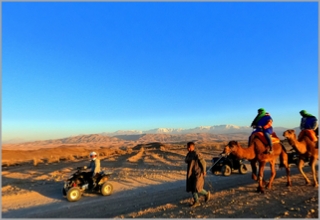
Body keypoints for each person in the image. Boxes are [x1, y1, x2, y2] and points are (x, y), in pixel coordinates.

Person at [185, 142, 210, 208]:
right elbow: (186, 160)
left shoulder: (197, 154)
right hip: (191, 173)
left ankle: (206, 194)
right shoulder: (188, 154)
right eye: (187, 147)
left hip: (198, 173)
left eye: (188, 147)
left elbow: (203, 162)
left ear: (192, 147)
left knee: (197, 188)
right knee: (192, 188)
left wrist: (204, 171)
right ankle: (196, 202)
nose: (187, 148)